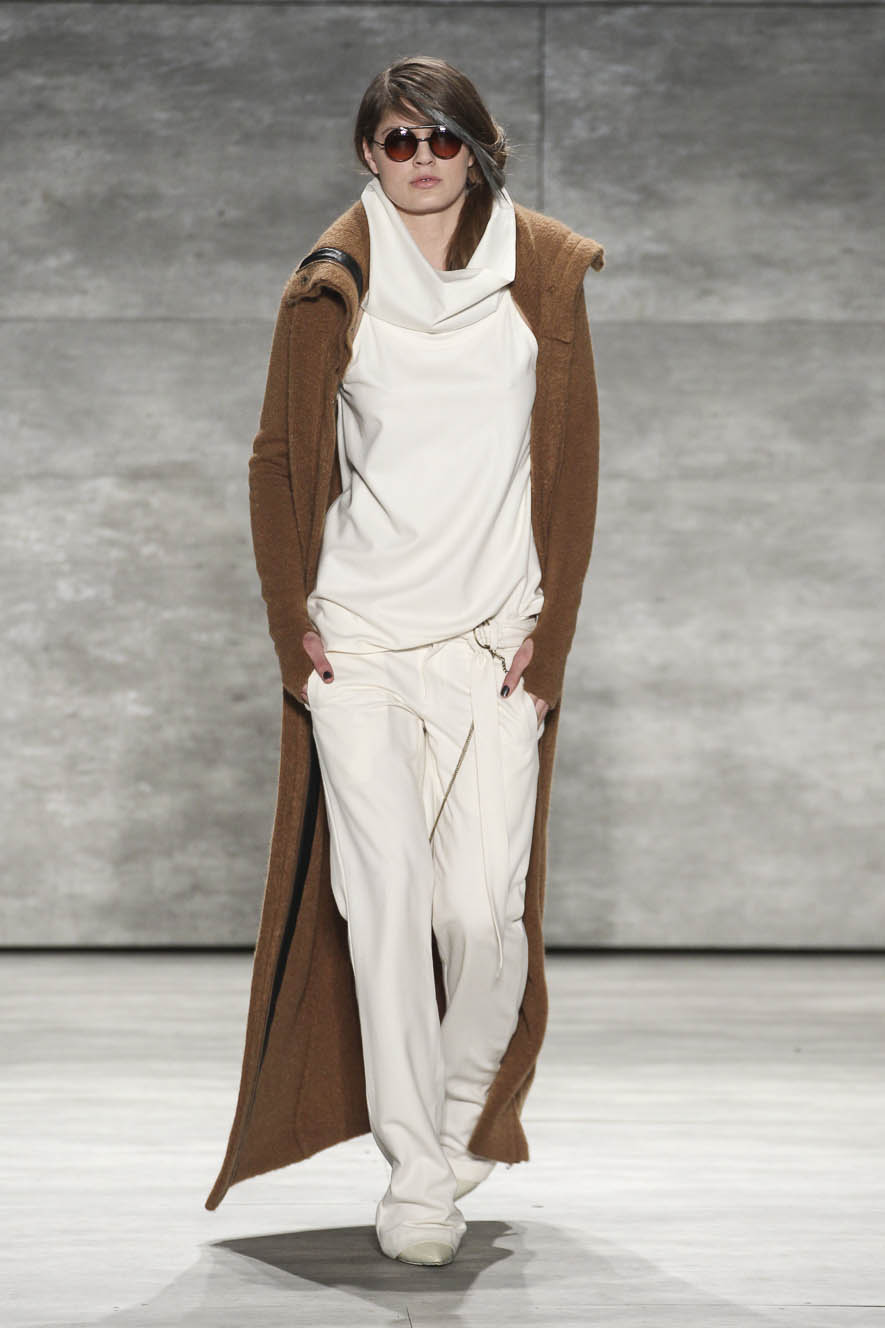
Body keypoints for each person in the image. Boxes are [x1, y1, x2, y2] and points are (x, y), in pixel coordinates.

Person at [203, 54, 605, 1271]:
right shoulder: (331, 283)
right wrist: (294, 627)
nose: (422, 159)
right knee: (382, 910)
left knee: (479, 914)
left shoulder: (541, 271)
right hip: (364, 640)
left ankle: (461, 1112)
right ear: (366, 153)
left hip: (491, 643)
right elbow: (279, 459)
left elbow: (575, 458)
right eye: (397, 139)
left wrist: (550, 636)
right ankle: (418, 1171)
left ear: (477, 148)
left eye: (443, 138)